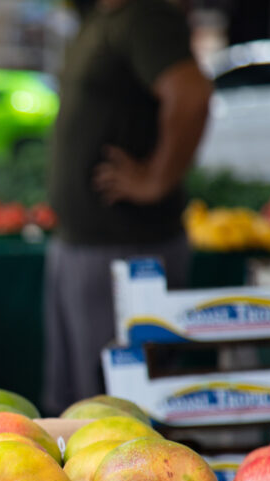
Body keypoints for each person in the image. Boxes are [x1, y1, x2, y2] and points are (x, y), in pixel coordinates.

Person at [42, 0, 212, 416]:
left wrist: (156, 177)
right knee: (73, 408)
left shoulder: (144, 17)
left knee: (111, 413)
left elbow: (191, 94)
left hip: (123, 250)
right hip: (82, 245)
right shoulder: (100, 17)